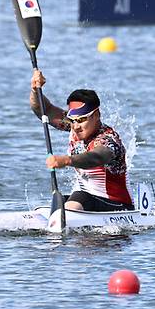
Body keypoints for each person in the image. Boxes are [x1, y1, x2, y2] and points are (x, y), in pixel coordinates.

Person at [29, 69, 133, 212]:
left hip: (118, 207)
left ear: (97, 115)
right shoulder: (75, 126)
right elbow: (44, 110)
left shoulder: (109, 140)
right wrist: (36, 90)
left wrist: (66, 160)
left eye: (82, 120)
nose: (76, 126)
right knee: (56, 201)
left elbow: (96, 157)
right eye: (72, 120)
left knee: (79, 197)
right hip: (88, 202)